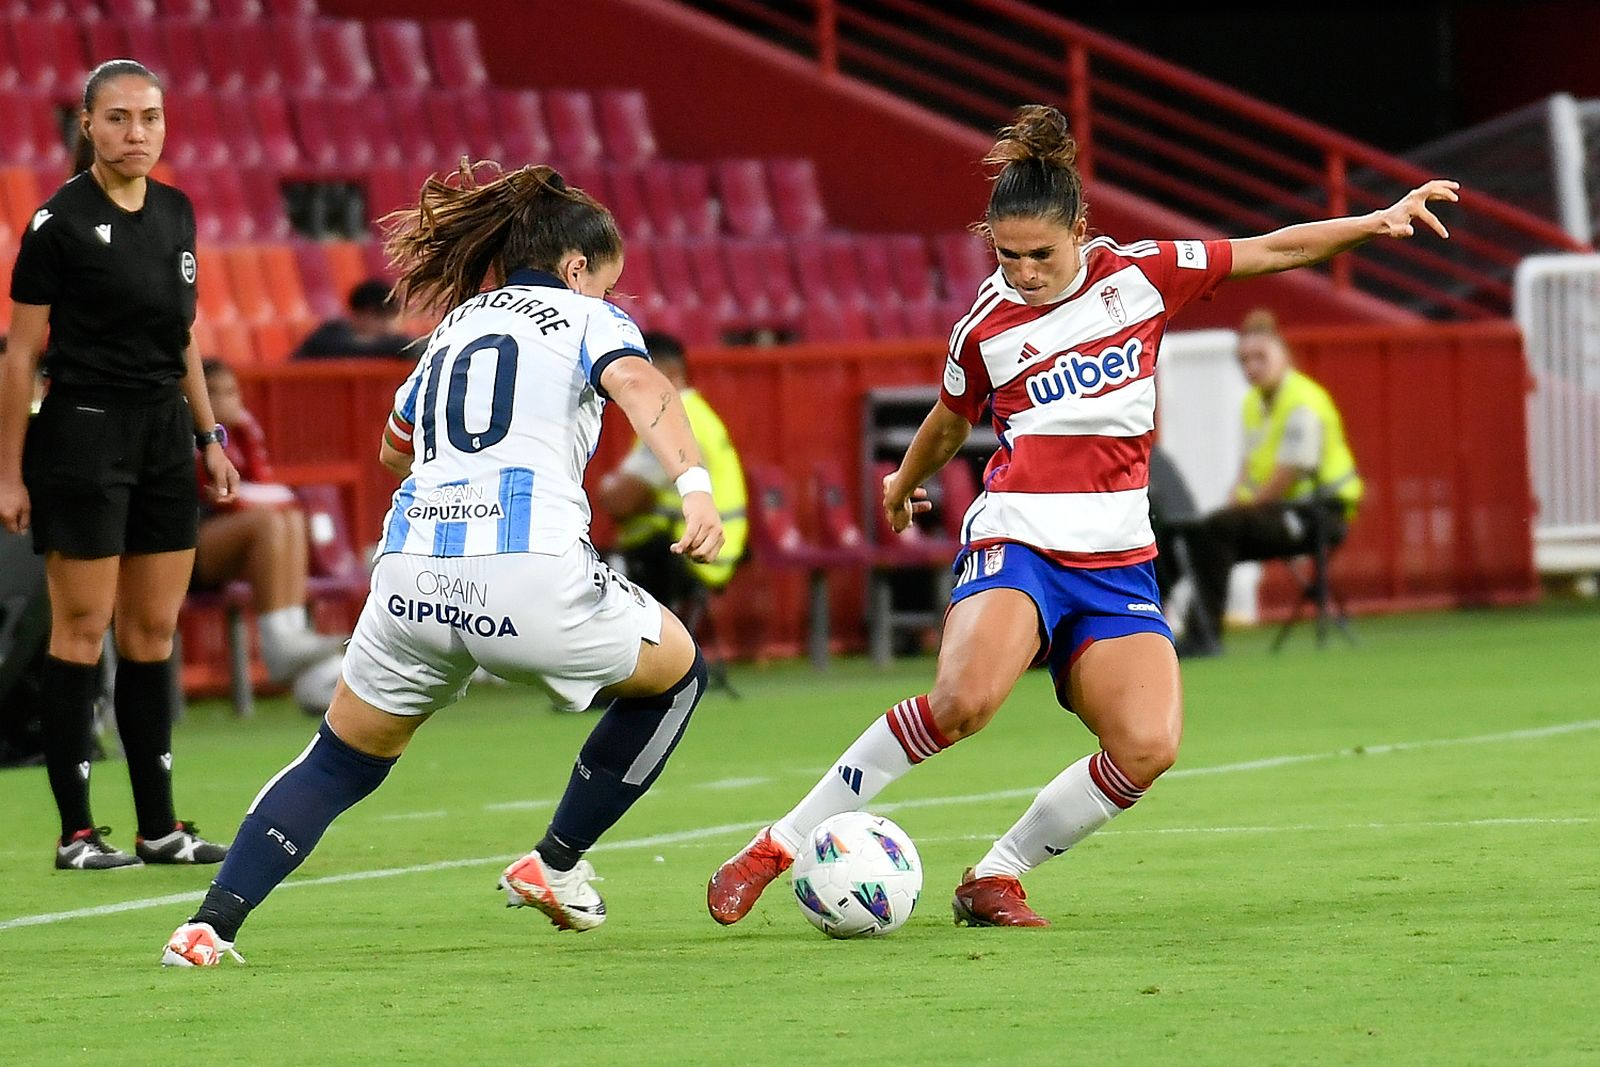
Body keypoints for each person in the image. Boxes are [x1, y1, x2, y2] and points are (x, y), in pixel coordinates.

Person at [706, 104, 1457, 928]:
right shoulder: (983, 329)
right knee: (963, 701)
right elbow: (952, 420)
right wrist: (903, 478)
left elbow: (1272, 249)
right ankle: (776, 845)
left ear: (1082, 232)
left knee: (1148, 746)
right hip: (1019, 536)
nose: (1022, 272)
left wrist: (1376, 221)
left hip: (1117, 557)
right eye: (1006, 255)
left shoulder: (1143, 275)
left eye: (1040, 255)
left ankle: (995, 875)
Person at [161, 161, 724, 966]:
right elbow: (640, 383)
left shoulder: (452, 331)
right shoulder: (586, 319)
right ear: (574, 269)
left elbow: (394, 449)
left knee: (341, 758)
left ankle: (208, 926)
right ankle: (555, 861)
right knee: (679, 676)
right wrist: (692, 485)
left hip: (412, 578)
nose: (606, 298)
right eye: (605, 282)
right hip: (531, 577)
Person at [0, 60, 239, 870]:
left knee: (150, 631)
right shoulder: (55, 223)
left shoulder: (176, 212)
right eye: (118, 119)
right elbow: (20, 355)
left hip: (165, 438)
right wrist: (9, 472)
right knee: (83, 627)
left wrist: (210, 438)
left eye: (150, 118)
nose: (136, 133)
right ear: (87, 125)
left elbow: (184, 336)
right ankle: (75, 834)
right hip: (83, 434)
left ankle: (160, 828)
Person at [1174, 308, 1364, 656]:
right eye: (1244, 360)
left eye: (1260, 357)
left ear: (1284, 356)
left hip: (1319, 515)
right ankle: (1174, 630)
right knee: (1202, 531)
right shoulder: (1252, 403)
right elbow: (1248, 471)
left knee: (1217, 530)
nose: (1251, 367)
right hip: (1280, 511)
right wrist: (1233, 505)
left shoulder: (1303, 403)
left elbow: (1286, 474)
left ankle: (1203, 636)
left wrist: (1237, 512)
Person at [193, 359, 346, 705]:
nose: (224, 401)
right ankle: (278, 641)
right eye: (213, 393)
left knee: (288, 518)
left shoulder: (244, 431)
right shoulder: (193, 436)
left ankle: (290, 632)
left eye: (231, 392)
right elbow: (223, 497)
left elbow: (261, 484)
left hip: (223, 537)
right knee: (267, 521)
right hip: (184, 546)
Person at [598, 331, 748, 611]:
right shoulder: (698, 414)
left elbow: (621, 501)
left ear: (666, 372)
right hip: (715, 551)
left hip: (687, 555)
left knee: (594, 570)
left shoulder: (669, 419)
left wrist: (606, 487)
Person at [291, 278, 416, 360]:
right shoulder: (327, 338)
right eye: (382, 318)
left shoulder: (393, 342)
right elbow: (354, 350)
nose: (389, 326)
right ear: (364, 314)